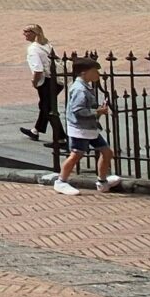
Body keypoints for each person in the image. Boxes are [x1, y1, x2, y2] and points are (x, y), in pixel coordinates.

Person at [50, 57, 121, 194]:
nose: (98, 74)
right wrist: (97, 112)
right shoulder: (80, 89)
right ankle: (61, 181)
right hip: (80, 129)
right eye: (94, 71)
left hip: (89, 128)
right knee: (76, 155)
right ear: (84, 72)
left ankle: (102, 182)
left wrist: (97, 111)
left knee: (107, 152)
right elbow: (78, 111)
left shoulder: (85, 87)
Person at [20, 24, 61, 143]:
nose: (24, 34)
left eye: (26, 31)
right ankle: (36, 130)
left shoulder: (33, 49)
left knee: (48, 108)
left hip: (46, 81)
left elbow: (38, 69)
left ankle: (61, 137)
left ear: (34, 33)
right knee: (46, 106)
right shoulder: (47, 44)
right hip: (57, 80)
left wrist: (35, 82)